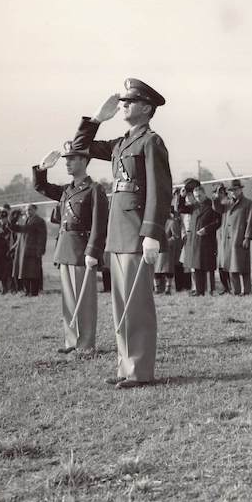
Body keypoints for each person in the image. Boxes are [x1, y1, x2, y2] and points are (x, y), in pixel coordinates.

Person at [72, 79, 172, 388]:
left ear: (146, 107)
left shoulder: (150, 142)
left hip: (135, 232)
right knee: (120, 304)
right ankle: (125, 367)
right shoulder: (121, 143)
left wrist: (152, 233)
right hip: (117, 233)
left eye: (130, 101)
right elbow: (79, 149)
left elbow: (160, 189)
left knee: (135, 304)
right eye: (123, 101)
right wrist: (96, 121)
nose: (124, 105)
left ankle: (140, 370)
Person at [33, 139, 109, 353]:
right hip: (65, 247)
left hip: (82, 250)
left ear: (85, 161)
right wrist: (41, 169)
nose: (67, 163)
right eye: (66, 160)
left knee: (84, 300)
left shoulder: (95, 189)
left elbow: (99, 223)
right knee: (68, 299)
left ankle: (85, 344)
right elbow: (41, 186)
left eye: (72, 159)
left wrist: (93, 251)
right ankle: (72, 341)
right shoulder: (67, 190)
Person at [213, 178, 252, 295]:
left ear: (240, 190)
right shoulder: (226, 203)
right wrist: (218, 195)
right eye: (231, 190)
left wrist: (247, 237)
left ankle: (247, 291)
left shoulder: (248, 203)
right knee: (232, 267)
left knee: (243, 267)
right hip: (228, 240)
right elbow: (216, 207)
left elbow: (251, 221)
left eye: (236, 190)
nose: (233, 192)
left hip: (240, 238)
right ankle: (236, 291)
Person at [176, 183, 221, 296]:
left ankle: (211, 290)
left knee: (208, 266)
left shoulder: (212, 204)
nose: (198, 198)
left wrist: (207, 229)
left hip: (207, 241)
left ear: (204, 194)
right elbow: (180, 209)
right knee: (196, 266)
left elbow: (218, 222)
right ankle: (199, 291)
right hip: (195, 241)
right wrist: (181, 197)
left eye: (200, 196)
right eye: (196, 196)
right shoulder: (194, 206)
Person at [8, 203, 48, 296]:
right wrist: (13, 219)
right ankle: (27, 291)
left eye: (30, 210)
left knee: (33, 272)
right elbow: (19, 229)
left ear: (35, 210)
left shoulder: (39, 221)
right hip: (25, 249)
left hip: (34, 250)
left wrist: (40, 250)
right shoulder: (27, 220)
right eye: (26, 210)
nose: (27, 212)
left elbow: (42, 236)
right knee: (25, 271)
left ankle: (34, 292)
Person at [155, 207, 182, 295]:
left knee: (168, 270)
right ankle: (157, 288)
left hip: (167, 250)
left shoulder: (172, 222)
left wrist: (166, 242)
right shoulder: (156, 222)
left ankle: (168, 289)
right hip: (157, 249)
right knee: (156, 270)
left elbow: (176, 236)